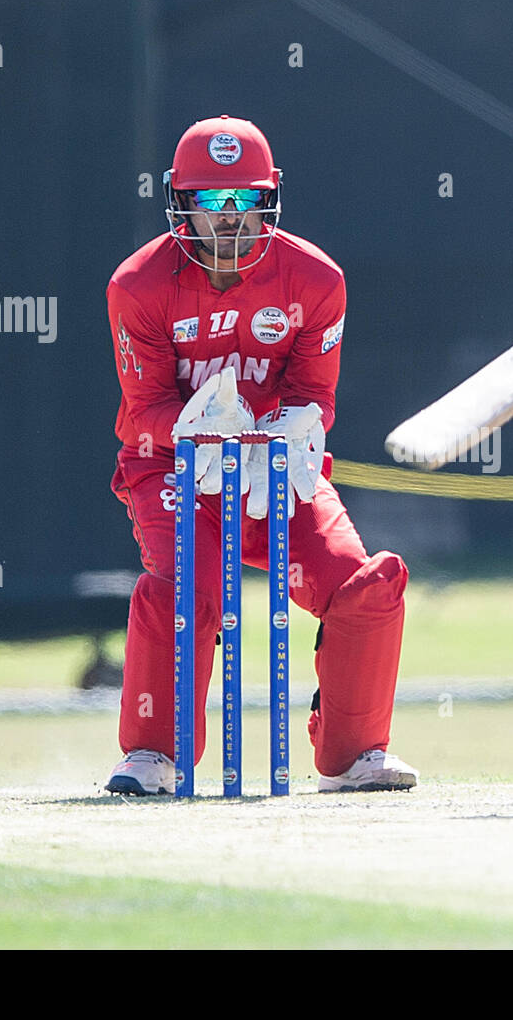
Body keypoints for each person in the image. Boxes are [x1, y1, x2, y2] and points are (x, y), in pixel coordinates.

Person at [103, 114, 419, 795]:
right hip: (175, 466)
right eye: (214, 202)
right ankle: (153, 752)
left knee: (364, 587)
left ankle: (352, 752)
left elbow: (317, 397)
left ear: (269, 199)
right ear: (181, 203)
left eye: (245, 200)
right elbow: (142, 412)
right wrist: (202, 431)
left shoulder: (316, 279)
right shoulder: (139, 285)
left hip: (275, 465)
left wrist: (287, 429)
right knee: (192, 587)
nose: (231, 219)